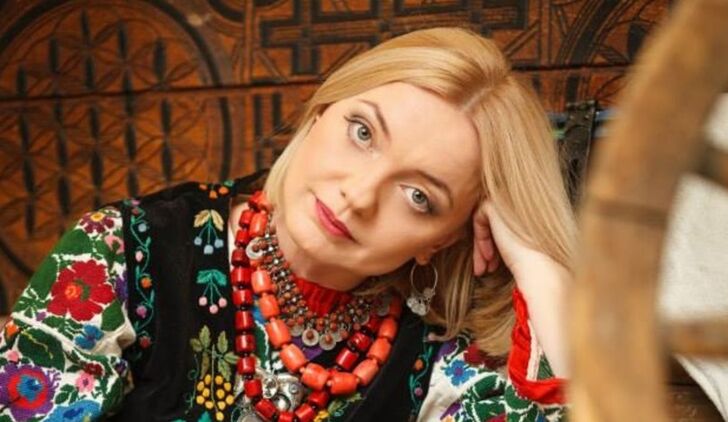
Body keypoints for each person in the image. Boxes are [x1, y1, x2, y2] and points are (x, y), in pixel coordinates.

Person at [0, 26, 575, 421]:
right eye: (363, 132)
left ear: (443, 238)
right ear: (321, 110)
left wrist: (537, 263)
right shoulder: (122, 254)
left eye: (418, 195)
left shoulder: (438, 351)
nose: (359, 195)